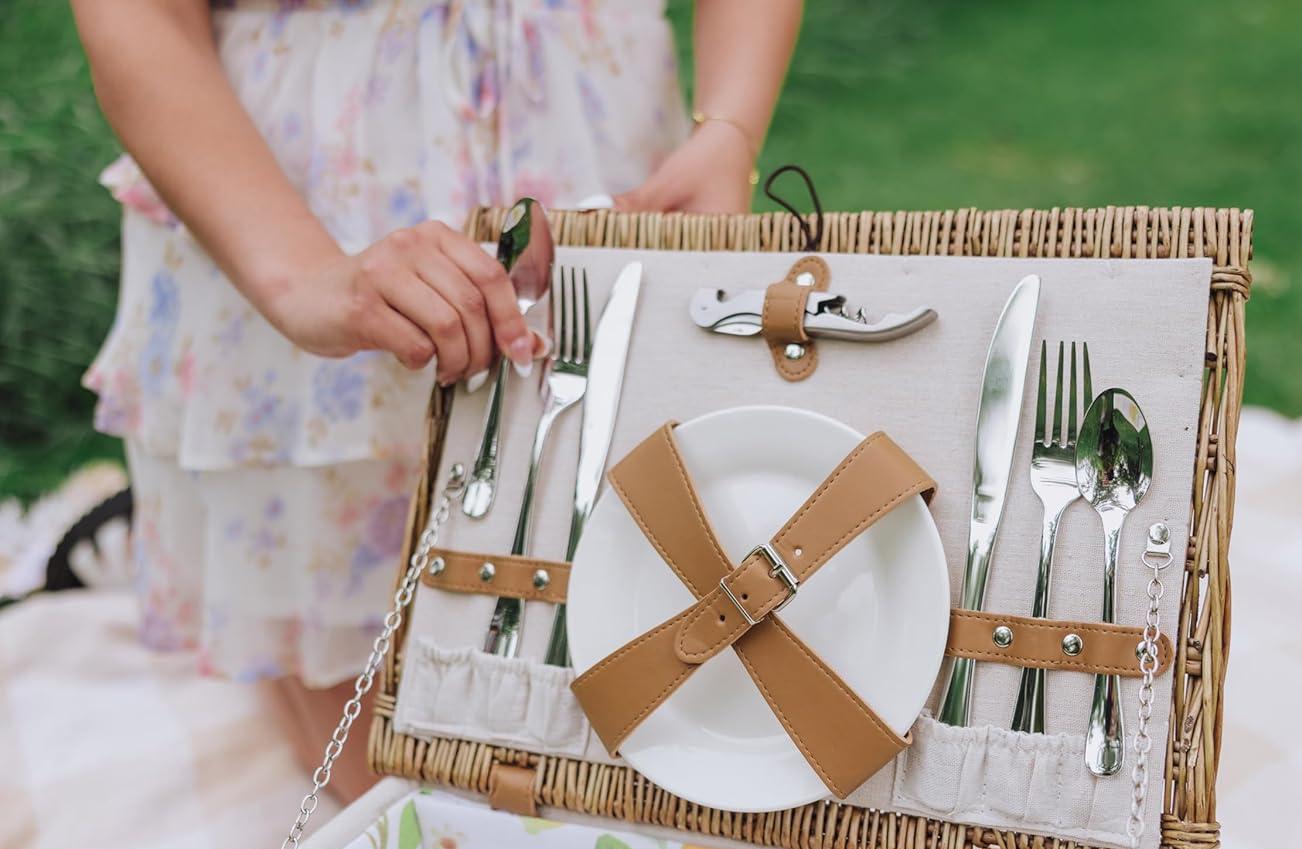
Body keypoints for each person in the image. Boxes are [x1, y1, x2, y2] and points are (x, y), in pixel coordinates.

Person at [70, 0, 803, 799]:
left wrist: (728, 128)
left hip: (598, 142)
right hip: (299, 191)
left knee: (643, 606)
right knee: (379, 776)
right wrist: (304, 274)